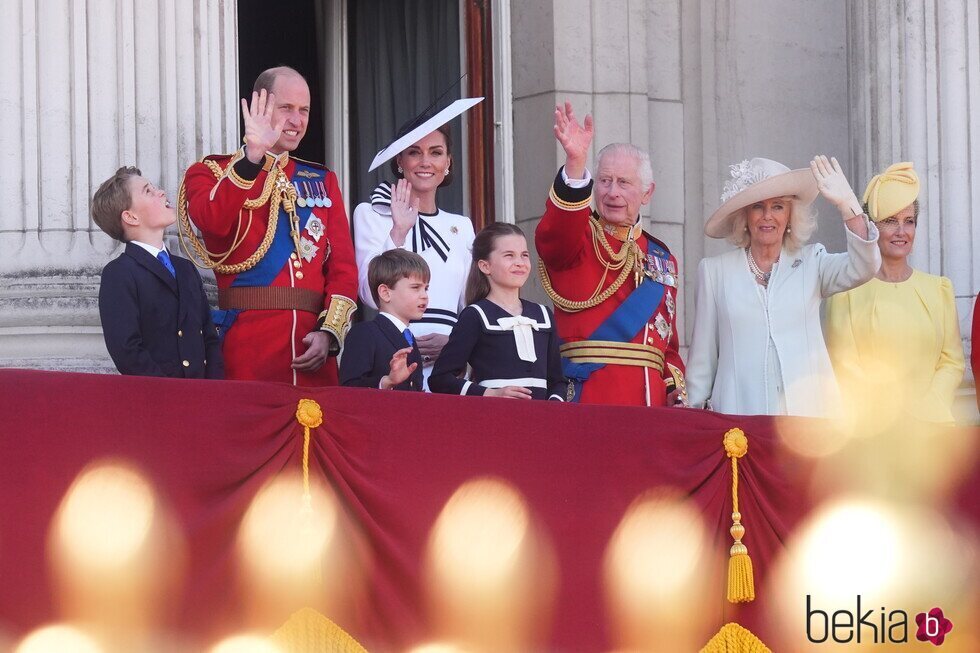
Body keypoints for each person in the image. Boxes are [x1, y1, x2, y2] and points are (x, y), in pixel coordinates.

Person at [179, 66, 358, 386]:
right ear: (258, 106)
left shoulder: (322, 180)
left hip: (312, 353)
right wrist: (252, 158)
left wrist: (329, 332)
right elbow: (211, 222)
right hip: (247, 349)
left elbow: (343, 268)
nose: (297, 120)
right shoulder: (211, 172)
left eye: (304, 110)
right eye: (286, 108)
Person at [686, 155, 881, 418]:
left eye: (778, 206)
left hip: (808, 425)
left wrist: (849, 207)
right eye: (758, 207)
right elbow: (702, 362)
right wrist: (693, 418)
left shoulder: (812, 262)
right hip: (738, 420)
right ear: (745, 216)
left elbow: (864, 267)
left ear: (790, 215)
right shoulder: (714, 272)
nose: (767, 217)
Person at [535, 102, 685, 407]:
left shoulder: (662, 257)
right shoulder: (580, 238)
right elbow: (554, 236)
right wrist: (576, 163)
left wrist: (672, 387)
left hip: (651, 405)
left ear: (647, 192)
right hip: (590, 397)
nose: (612, 192)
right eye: (604, 181)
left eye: (624, 183)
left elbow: (667, 345)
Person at [353, 99, 481, 386]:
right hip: (393, 354)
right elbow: (368, 291)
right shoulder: (372, 214)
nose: (425, 162)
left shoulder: (461, 226)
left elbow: (471, 304)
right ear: (399, 161)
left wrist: (455, 344)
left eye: (436, 153)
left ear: (448, 162)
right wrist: (398, 230)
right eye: (414, 152)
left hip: (449, 361)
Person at [825, 162, 964, 424]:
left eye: (908, 221)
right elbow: (845, 366)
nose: (901, 231)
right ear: (872, 227)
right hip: (873, 431)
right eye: (890, 221)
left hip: (934, 431)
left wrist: (927, 409)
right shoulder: (845, 293)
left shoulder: (939, 289)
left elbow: (952, 362)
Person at [93, 166, 223, 379]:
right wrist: (169, 392)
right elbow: (127, 351)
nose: (161, 192)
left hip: (202, 396)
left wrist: (213, 390)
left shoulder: (186, 268)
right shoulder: (119, 273)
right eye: (148, 191)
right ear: (131, 217)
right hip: (158, 399)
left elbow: (209, 337)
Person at [429, 223, 566, 400]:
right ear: (485, 266)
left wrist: (554, 405)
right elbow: (440, 379)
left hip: (541, 422)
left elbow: (557, 380)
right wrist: (489, 393)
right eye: (509, 255)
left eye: (524, 255)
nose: (519, 263)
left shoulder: (543, 314)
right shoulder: (475, 315)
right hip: (495, 419)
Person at [340, 249, 428, 391]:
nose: (424, 295)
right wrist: (385, 382)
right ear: (385, 293)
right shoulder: (364, 333)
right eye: (415, 288)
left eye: (426, 288)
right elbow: (349, 388)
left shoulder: (409, 338)